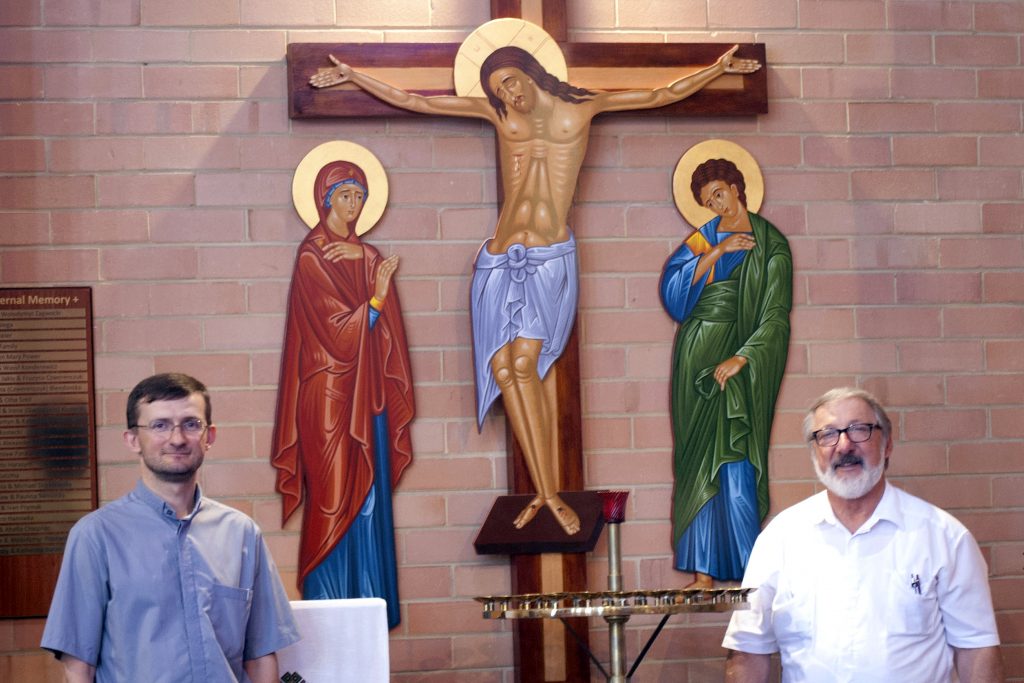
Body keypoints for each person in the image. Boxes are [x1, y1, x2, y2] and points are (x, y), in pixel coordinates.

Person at [310, 42, 761, 535]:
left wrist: (715, 70)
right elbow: (420, 101)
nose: (508, 93)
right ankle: (544, 493)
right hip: (499, 258)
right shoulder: (498, 114)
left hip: (547, 259)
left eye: (510, 81)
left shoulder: (583, 105)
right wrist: (356, 76)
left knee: (525, 362)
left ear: (530, 70)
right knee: (505, 369)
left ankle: (551, 494)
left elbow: (658, 94)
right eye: (497, 88)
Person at [723, 387, 1004, 682]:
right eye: (828, 434)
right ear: (814, 453)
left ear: (888, 445)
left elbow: (977, 650)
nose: (844, 446)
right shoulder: (779, 539)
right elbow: (748, 652)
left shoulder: (945, 538)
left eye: (860, 430)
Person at [41, 373, 299, 683]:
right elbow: (79, 666)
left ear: (210, 436)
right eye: (160, 425)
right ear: (133, 440)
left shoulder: (242, 534)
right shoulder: (95, 536)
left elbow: (260, 657)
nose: (177, 439)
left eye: (191, 424)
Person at [270, 159, 415, 629]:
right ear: (325, 199)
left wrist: (371, 268)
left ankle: (368, 599)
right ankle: (327, 602)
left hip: (367, 394)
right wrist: (375, 294)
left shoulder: (365, 255)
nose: (353, 206)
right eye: (346, 196)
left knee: (370, 494)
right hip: (327, 395)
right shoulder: (312, 256)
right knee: (332, 496)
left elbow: (383, 329)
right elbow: (336, 332)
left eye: (360, 197)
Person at [659, 157, 791, 588]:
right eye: (707, 200)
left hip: (740, 358)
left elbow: (775, 315)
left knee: (734, 457)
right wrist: (717, 250)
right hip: (697, 351)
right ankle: (702, 574)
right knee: (697, 460)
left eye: (719, 192)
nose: (716, 204)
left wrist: (744, 356)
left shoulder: (771, 244)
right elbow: (675, 295)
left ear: (737, 187)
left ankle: (746, 569)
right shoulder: (705, 238)